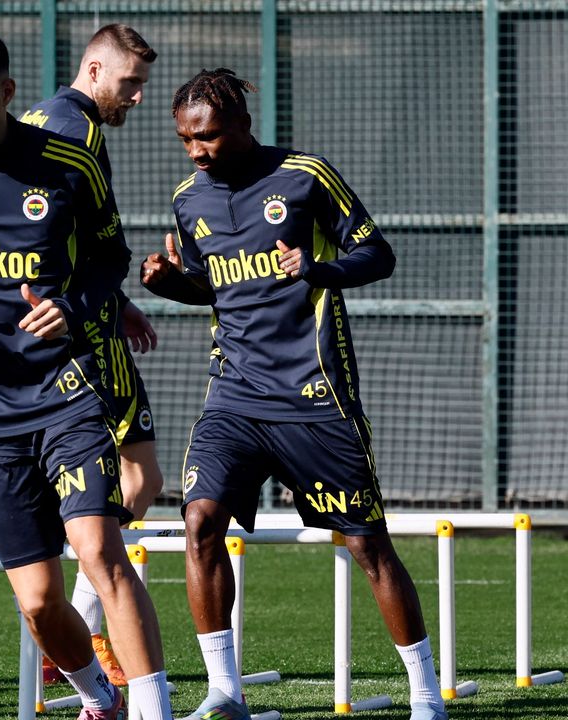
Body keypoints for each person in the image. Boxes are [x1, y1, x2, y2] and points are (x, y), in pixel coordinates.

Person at [0, 25, 173, 720]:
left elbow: (109, 257)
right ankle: (99, 698)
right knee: (39, 602)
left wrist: (70, 309)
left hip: (68, 393)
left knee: (99, 550)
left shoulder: (69, 161)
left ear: (7, 92)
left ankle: (154, 709)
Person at [141, 68, 447, 720]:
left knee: (367, 546)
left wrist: (318, 269)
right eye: (185, 139)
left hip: (315, 395)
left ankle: (426, 696)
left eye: (208, 136)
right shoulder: (188, 199)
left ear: (242, 124)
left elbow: (378, 254)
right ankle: (225, 692)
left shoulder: (305, 176)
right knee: (200, 522)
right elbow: (212, 287)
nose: (196, 151)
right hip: (234, 394)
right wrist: (171, 284)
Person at [19, 23, 163, 688]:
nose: (136, 96)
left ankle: (75, 627)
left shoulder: (37, 118)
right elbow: (57, 234)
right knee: (134, 483)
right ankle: (84, 629)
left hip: (81, 324)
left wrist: (117, 297)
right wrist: (92, 305)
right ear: (96, 70)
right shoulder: (73, 130)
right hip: (84, 342)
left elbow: (72, 235)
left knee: (138, 481)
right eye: (130, 82)